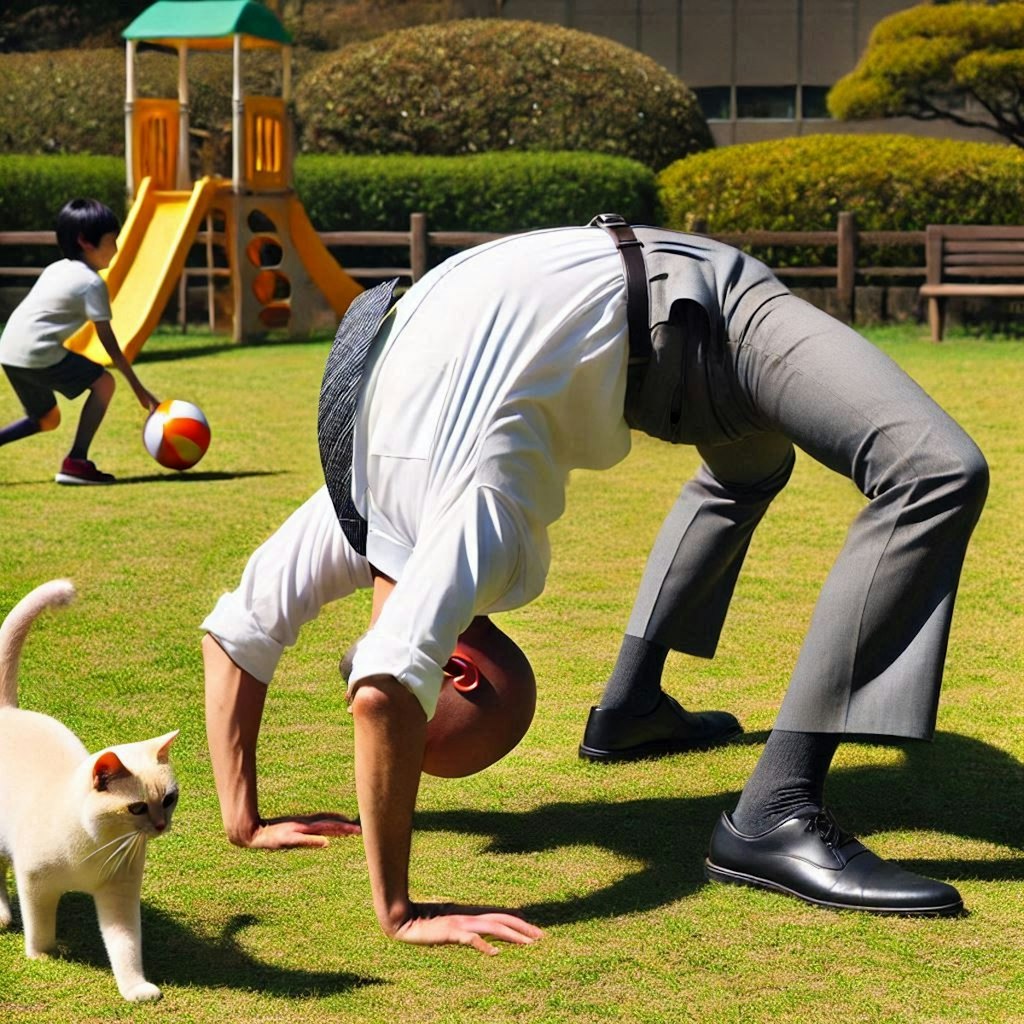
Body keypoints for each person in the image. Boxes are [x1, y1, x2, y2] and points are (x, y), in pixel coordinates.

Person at [203, 221, 986, 953]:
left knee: (920, 470)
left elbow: (380, 693)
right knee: (786, 465)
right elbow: (240, 628)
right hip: (642, 323)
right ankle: (670, 741)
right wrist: (242, 818)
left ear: (463, 671)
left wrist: (397, 911)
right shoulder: (360, 497)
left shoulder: (478, 515)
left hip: (690, 302)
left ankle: (758, 796)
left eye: (498, 718)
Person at [0, 198, 159, 484]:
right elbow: (110, 346)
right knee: (104, 383)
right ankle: (76, 461)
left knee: (47, 419)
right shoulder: (91, 283)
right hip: (38, 353)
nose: (117, 249)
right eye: (112, 241)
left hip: (9, 352)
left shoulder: (56, 268)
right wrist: (141, 391)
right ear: (86, 241)